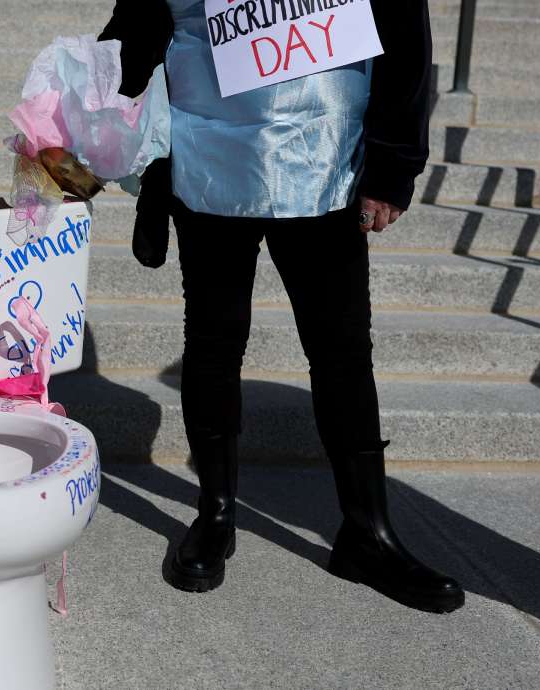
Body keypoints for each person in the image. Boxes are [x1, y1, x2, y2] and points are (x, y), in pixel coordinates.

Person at [100, 0, 465, 613]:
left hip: (325, 154)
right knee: (214, 341)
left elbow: (403, 35)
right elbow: (134, 31)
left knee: (342, 349)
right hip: (207, 159)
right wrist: (80, 124)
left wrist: (393, 166)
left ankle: (366, 533)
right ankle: (215, 515)